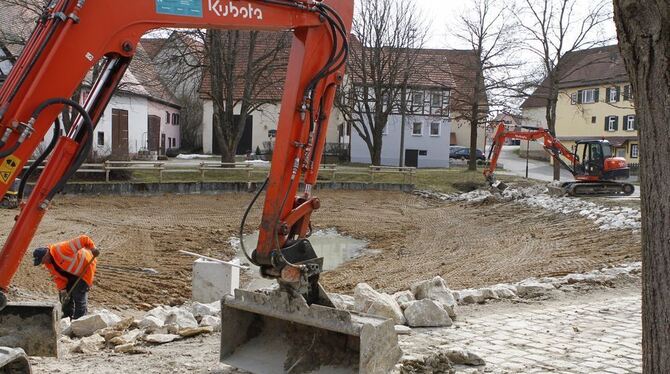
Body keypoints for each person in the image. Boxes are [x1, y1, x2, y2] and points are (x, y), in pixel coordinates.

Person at [33, 235, 99, 320]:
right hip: (70, 274)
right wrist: (63, 290)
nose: (42, 263)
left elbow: (84, 239)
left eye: (42, 261)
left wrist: (93, 248)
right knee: (64, 297)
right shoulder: (48, 263)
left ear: (46, 255)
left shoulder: (61, 249)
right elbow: (57, 277)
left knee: (78, 294)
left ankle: (79, 320)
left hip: (85, 269)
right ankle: (67, 317)